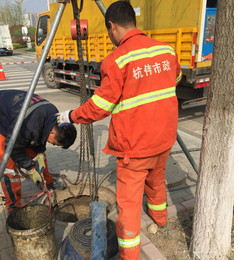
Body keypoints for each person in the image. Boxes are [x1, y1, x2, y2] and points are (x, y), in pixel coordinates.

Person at [56, 1, 182, 259]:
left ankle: (129, 255)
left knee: (129, 208)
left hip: (134, 150)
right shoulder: (167, 51)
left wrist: (71, 115)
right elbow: (176, 79)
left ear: (112, 26)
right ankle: (160, 219)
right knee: (157, 182)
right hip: (164, 141)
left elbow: (99, 107)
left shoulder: (117, 60)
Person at [0, 90, 77, 212]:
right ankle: (13, 207)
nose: (53, 145)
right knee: (8, 164)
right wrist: (30, 168)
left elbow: (40, 135)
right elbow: (12, 147)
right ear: (53, 132)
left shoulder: (53, 115)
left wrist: (39, 152)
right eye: (55, 143)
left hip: (14, 116)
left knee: (38, 154)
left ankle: (47, 182)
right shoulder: (28, 124)